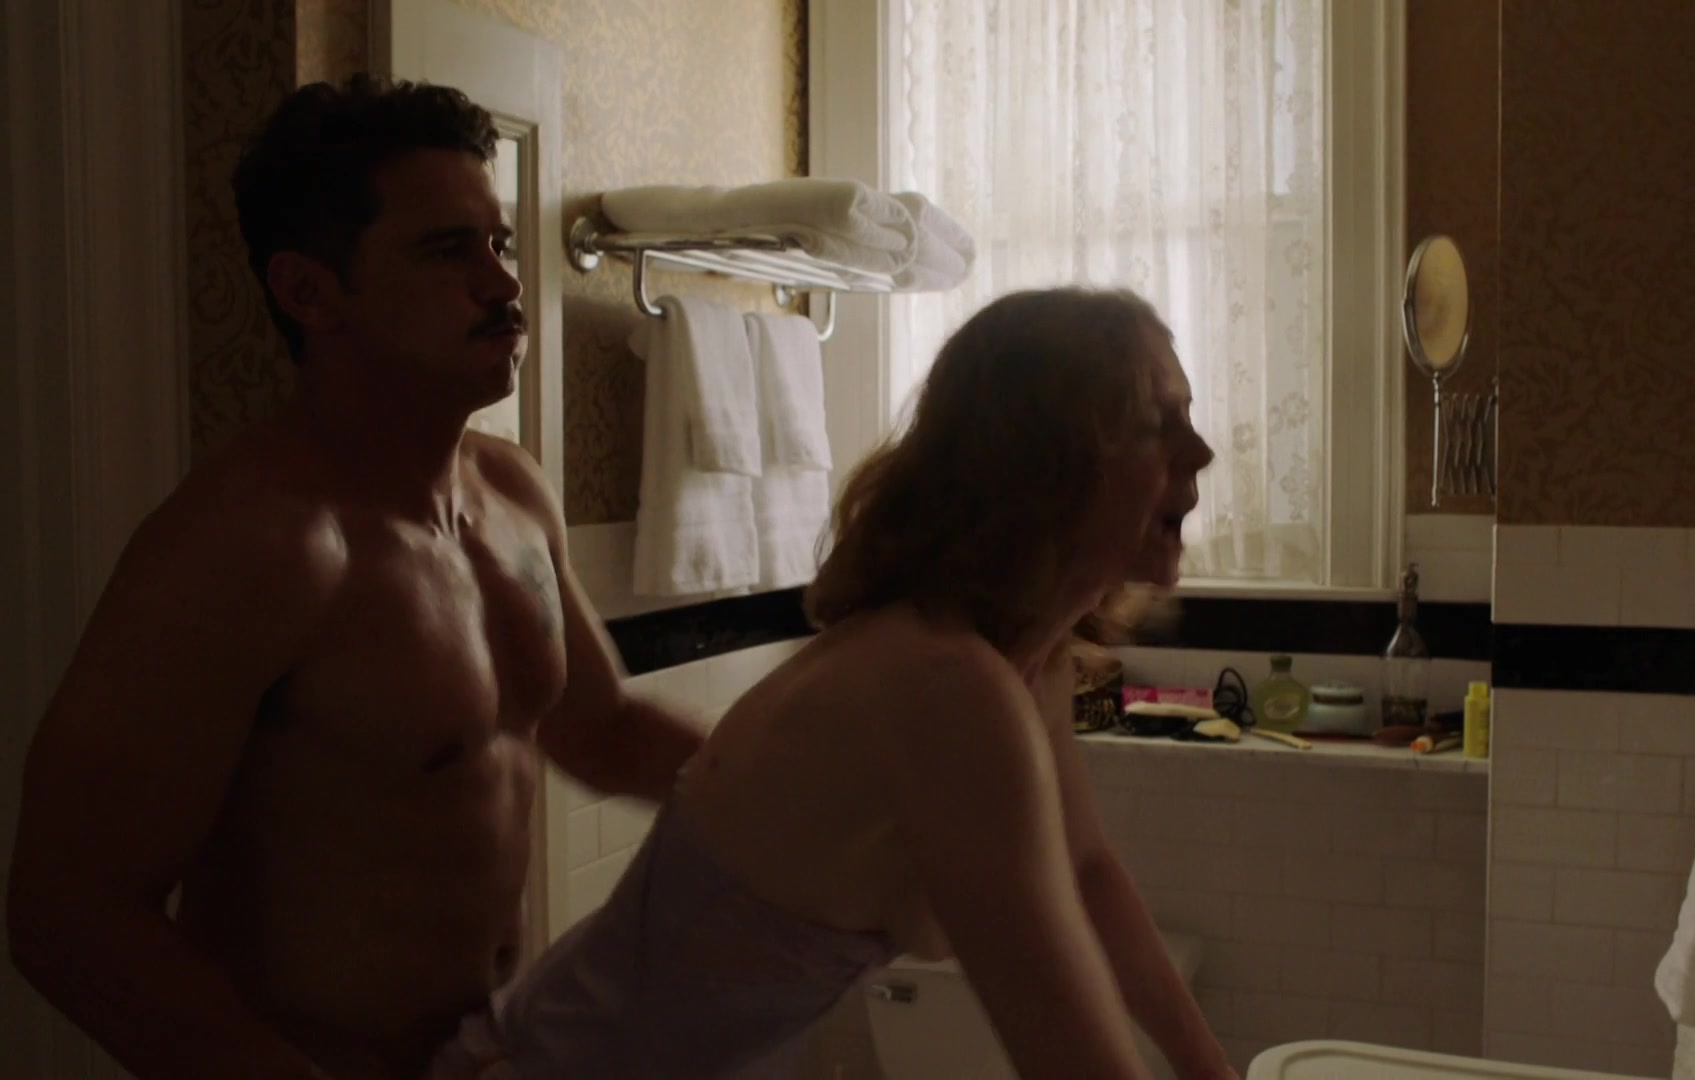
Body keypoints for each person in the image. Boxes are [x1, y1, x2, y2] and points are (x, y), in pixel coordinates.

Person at [6, 76, 706, 1080]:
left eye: (499, 243)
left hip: (486, 1054)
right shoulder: (253, 547)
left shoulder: (513, 491)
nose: (504, 285)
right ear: (309, 292)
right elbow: (65, 915)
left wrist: (816, 788)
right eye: (447, 250)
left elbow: (602, 731)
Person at [480, 287, 1237, 1079]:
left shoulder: (1026, 667)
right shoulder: (944, 690)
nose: (1201, 453)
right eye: (1158, 424)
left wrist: (1209, 1067)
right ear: (1047, 465)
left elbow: (1085, 873)